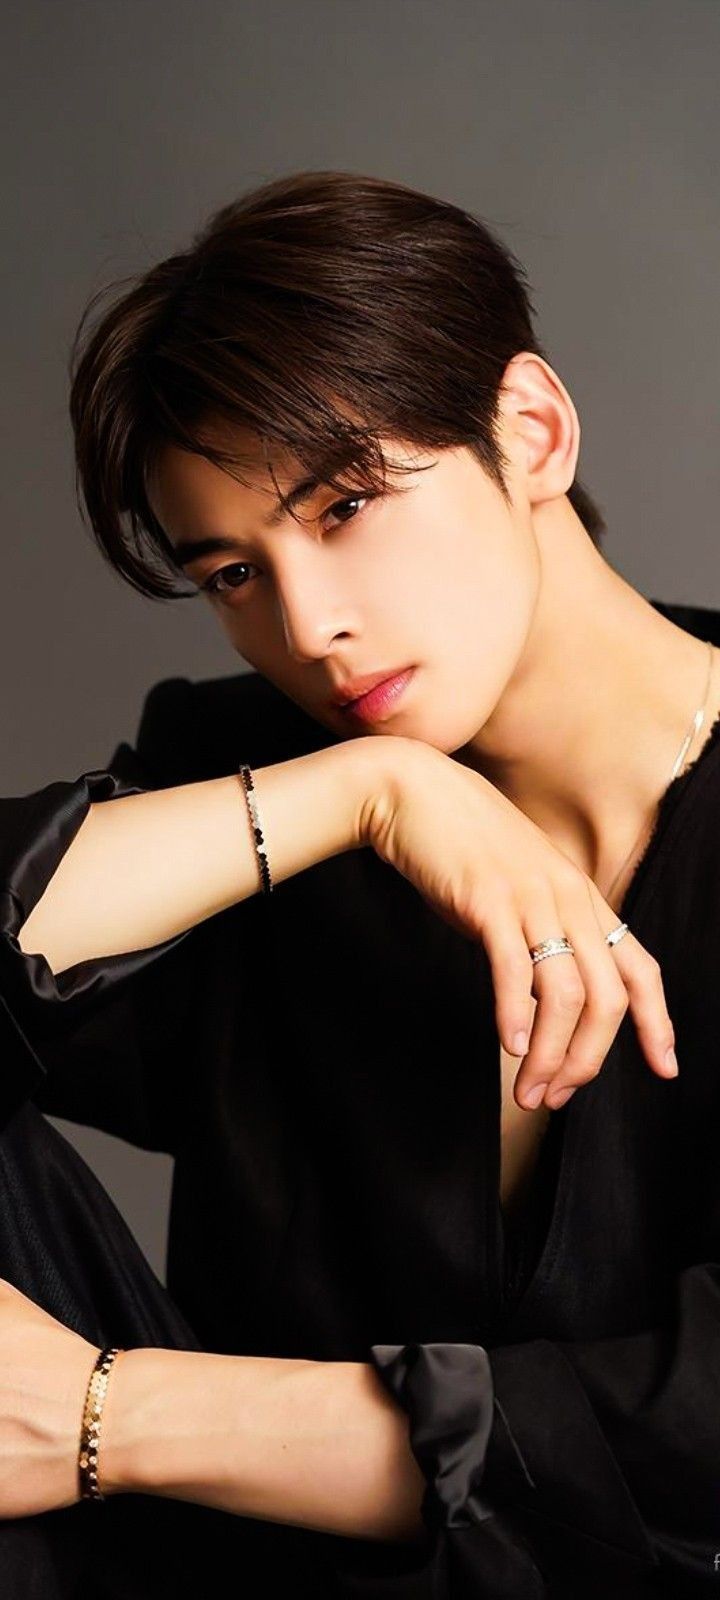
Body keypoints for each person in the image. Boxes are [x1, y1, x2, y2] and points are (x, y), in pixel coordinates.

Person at [1, 168, 719, 1598]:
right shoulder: (267, 787)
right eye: (233, 574)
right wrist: (367, 794)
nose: (310, 625)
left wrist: (117, 1419)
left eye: (346, 506)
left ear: (531, 430)